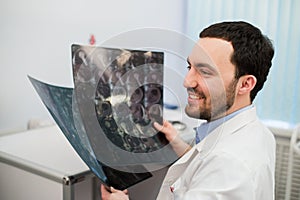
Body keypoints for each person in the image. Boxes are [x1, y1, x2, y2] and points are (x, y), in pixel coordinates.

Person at [101, 21, 276, 200]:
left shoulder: (229, 166)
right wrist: (180, 146)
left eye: (205, 72)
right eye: (189, 67)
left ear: (245, 84)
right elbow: (205, 166)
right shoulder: (258, 133)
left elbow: (216, 167)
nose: (187, 81)